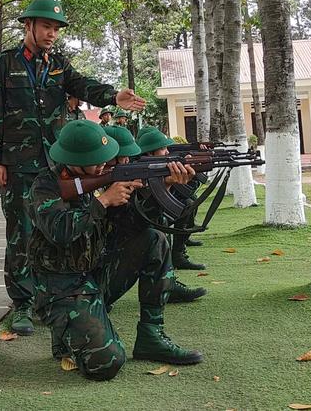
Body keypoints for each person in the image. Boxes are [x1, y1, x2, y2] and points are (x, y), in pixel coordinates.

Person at [0, 0, 146, 335]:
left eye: (56, 29)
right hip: (18, 163)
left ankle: (54, 294)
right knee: (20, 232)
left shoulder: (58, 64)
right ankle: (23, 303)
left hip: (56, 163)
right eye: (46, 26)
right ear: (28, 25)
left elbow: (82, 85)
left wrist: (113, 96)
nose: (52, 34)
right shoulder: (3, 63)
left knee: (57, 226)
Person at [30, 120, 196, 380]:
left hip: (97, 273)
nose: (103, 164)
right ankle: (66, 334)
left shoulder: (103, 178)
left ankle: (151, 335)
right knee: (106, 363)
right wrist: (103, 200)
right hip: (61, 287)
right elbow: (59, 231)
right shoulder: (45, 185)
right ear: (75, 160)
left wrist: (164, 187)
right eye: (96, 160)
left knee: (153, 239)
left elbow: (134, 225)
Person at [104, 126, 207, 306]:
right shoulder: (93, 188)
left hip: (105, 262)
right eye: (123, 157)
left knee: (156, 231)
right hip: (90, 274)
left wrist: (166, 185)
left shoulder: (123, 178)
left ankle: (167, 284)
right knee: (153, 234)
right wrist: (104, 200)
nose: (128, 160)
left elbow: (139, 221)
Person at [137, 127, 206, 272]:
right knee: (163, 221)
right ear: (149, 153)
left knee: (188, 203)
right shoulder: (139, 170)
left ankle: (178, 255)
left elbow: (186, 193)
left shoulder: (158, 166)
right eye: (163, 149)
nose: (168, 152)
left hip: (152, 216)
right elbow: (148, 206)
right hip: (142, 222)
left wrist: (191, 174)